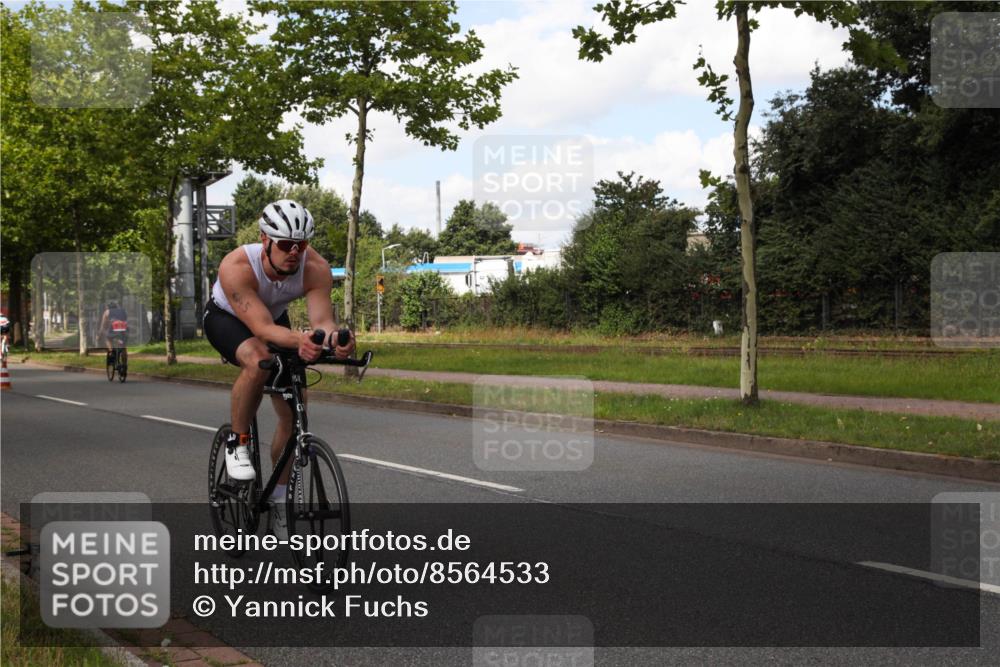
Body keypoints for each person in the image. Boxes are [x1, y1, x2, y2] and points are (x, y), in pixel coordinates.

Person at [203, 199, 353, 537]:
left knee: (294, 406)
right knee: (259, 361)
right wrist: (298, 339)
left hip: (272, 318)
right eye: (286, 244)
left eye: (301, 245)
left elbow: (322, 321)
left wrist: (335, 341)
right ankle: (237, 444)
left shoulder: (314, 267)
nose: (294, 253)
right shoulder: (237, 265)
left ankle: (280, 497)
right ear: (265, 239)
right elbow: (261, 330)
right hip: (228, 318)